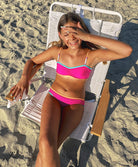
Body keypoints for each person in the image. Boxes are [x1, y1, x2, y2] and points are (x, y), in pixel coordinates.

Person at [10, 12, 132, 167]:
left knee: (47, 148)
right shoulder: (57, 52)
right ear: (60, 35)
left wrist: (87, 37)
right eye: (67, 33)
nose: (72, 37)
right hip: (53, 98)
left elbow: (126, 51)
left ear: (82, 33)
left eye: (76, 32)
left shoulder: (91, 56)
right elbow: (32, 61)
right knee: (47, 143)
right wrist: (24, 78)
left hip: (74, 105)